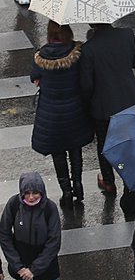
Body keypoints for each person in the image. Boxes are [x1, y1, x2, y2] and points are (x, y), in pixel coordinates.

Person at [31, 22, 93, 206]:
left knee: (58, 154)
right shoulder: (77, 53)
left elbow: (34, 77)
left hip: (51, 114)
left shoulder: (41, 55)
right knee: (75, 149)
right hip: (75, 110)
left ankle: (66, 191)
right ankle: (78, 185)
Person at [79, 22, 135, 198]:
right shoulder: (127, 34)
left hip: (102, 106)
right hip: (129, 101)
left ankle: (108, 181)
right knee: (130, 143)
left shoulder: (88, 49)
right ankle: (132, 181)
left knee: (104, 143)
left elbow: (87, 86)